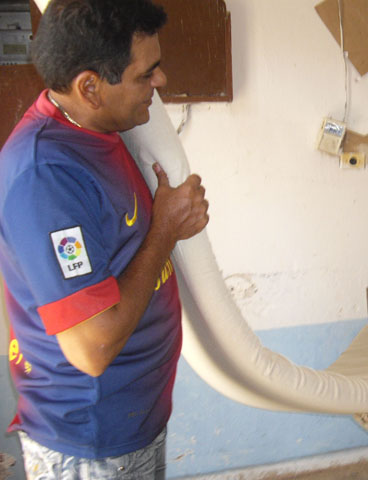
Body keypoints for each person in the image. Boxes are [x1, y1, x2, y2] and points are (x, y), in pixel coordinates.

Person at [0, 0, 209, 478]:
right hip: (89, 443)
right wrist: (165, 228)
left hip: (130, 421)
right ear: (89, 87)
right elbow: (91, 347)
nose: (160, 82)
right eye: (145, 74)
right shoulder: (45, 178)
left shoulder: (102, 129)